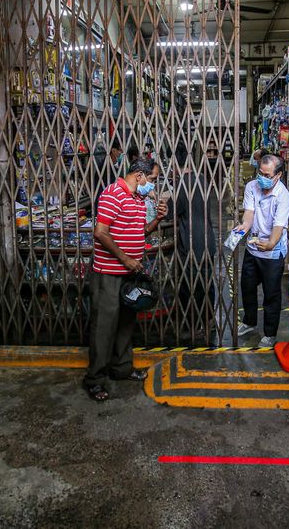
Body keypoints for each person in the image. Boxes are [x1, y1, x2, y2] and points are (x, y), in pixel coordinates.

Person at [85, 157, 167, 402]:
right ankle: (95, 380)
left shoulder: (138, 199)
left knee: (125, 325)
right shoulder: (112, 194)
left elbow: (139, 232)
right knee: (104, 328)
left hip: (129, 276)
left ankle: (121, 369)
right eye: (151, 179)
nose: (152, 185)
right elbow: (100, 232)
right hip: (108, 274)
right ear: (139, 176)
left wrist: (157, 220)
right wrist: (125, 259)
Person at [235, 153, 289, 348]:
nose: (262, 178)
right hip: (253, 248)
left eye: (267, 175)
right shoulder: (252, 187)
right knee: (247, 287)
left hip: (272, 253)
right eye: (260, 173)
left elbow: (278, 227)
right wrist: (244, 226)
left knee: (271, 294)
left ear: (278, 175)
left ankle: (270, 333)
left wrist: (271, 244)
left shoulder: (283, 196)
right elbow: (249, 213)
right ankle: (249, 322)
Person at [172, 143, 217, 340]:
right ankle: (208, 322)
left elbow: (174, 213)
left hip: (192, 243)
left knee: (190, 286)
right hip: (207, 241)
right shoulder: (201, 180)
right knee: (206, 284)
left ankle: (194, 325)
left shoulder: (182, 184)